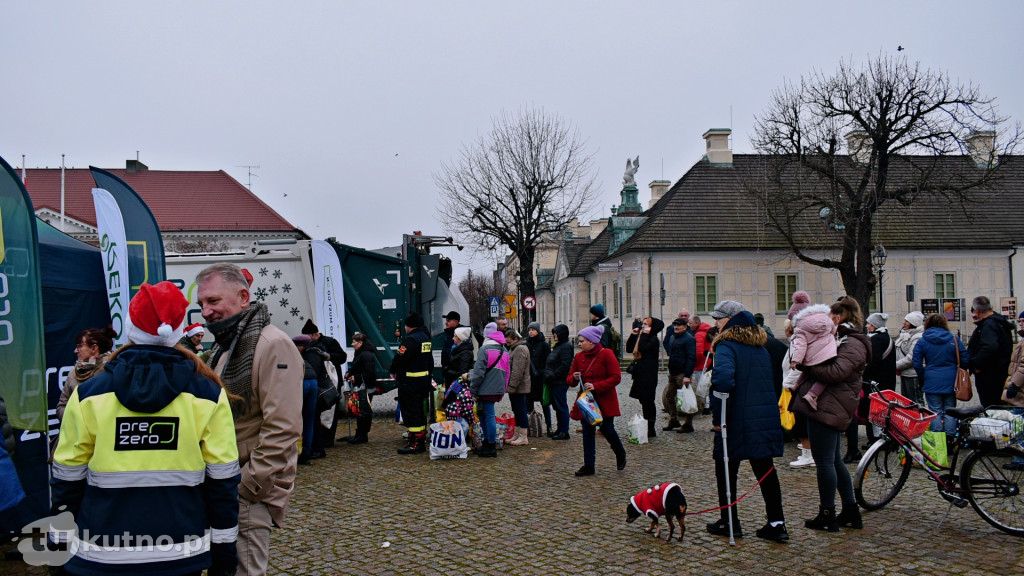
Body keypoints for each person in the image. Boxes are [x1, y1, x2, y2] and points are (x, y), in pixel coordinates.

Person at [52, 281, 240, 576]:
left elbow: (67, 482)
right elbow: (223, 485)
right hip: (181, 552)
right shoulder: (208, 395)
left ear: (130, 328)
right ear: (177, 332)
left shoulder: (88, 394)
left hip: (103, 552)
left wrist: (57, 550)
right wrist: (224, 556)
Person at [198, 262, 303, 576]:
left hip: (245, 491)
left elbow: (283, 427)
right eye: (201, 304)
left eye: (213, 301)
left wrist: (248, 484)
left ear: (243, 297)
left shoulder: (273, 344)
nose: (205, 311)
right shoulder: (225, 346)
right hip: (223, 485)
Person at [704, 300, 789, 543]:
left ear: (730, 321)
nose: (716, 324)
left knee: (726, 469)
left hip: (735, 419)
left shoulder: (726, 345)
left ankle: (729, 521)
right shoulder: (760, 346)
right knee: (765, 470)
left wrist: (719, 417)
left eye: (719, 319)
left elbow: (722, 381)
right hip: (761, 417)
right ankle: (777, 523)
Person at [792, 297, 871, 533]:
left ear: (840, 316)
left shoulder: (852, 342)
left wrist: (807, 362)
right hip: (830, 404)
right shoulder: (842, 338)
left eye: (831, 315)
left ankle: (827, 514)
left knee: (825, 461)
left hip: (830, 406)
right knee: (834, 460)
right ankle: (850, 511)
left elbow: (836, 372)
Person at [569, 325, 627, 476]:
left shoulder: (606, 354)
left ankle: (620, 452)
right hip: (587, 402)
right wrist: (573, 378)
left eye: (582, 341)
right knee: (587, 433)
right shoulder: (579, 356)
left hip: (604, 400)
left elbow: (616, 377)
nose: (579, 344)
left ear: (592, 341)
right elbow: (569, 379)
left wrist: (597, 386)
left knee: (607, 430)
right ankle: (589, 466)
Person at [913, 314, 970, 438]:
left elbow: (916, 363)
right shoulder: (954, 339)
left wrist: (923, 376)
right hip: (952, 380)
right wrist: (960, 372)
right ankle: (950, 438)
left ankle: (938, 440)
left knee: (935, 411)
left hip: (931, 379)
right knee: (950, 410)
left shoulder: (922, 341)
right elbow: (965, 357)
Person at [852, 312, 897, 458]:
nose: (867, 326)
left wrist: (863, 374)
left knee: (874, 410)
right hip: (885, 380)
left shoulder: (877, 339)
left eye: (869, 324)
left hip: (876, 381)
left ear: (875, 325)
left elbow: (873, 362)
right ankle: (877, 438)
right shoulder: (885, 337)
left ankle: (876, 439)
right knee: (881, 409)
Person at [391, 313, 434, 455]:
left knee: (411, 412)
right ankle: (420, 441)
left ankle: (414, 444)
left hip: (410, 383)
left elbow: (399, 359)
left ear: (409, 326)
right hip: (423, 382)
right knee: (420, 412)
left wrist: (393, 370)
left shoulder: (410, 340)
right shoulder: (425, 339)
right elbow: (430, 361)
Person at [56, 326, 118, 422]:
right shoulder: (73, 374)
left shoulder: (113, 372)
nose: (75, 351)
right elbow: (62, 406)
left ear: (94, 348)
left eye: (80, 346)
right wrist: (76, 420)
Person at [303, 319, 347, 447]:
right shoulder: (308, 345)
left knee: (331, 411)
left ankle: (328, 439)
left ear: (313, 334)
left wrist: (329, 356)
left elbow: (342, 357)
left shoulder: (330, 342)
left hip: (332, 382)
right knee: (318, 411)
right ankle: (319, 439)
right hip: (318, 381)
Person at [470, 328, 511, 457]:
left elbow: (478, 373)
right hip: (497, 388)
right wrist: (503, 389)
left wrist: (473, 390)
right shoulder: (504, 351)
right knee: (485, 415)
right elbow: (507, 373)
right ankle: (487, 444)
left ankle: (490, 445)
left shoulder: (484, 350)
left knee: (487, 416)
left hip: (484, 388)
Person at [789, 304, 838, 411]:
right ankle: (812, 395)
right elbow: (834, 331)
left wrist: (796, 360)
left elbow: (801, 345)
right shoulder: (826, 317)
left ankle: (796, 385)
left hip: (811, 356)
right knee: (827, 375)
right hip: (828, 354)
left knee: (807, 370)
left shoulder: (800, 326)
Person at [967, 296, 1014, 408]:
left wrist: (976, 363)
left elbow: (989, 347)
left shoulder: (989, 324)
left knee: (991, 406)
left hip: (989, 374)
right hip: (1000, 371)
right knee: (997, 405)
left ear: (977, 310)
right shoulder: (999, 322)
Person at [781, 319, 814, 468]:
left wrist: (787, 384)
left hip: (797, 387)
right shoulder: (796, 343)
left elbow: (797, 367)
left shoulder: (798, 343)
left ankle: (808, 455)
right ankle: (808, 453)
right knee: (801, 422)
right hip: (797, 385)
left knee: (801, 422)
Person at [626, 317, 666, 439]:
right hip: (640, 374)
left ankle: (651, 427)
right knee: (643, 400)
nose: (643, 326)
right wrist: (634, 335)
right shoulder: (642, 337)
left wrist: (644, 334)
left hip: (649, 375)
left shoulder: (653, 339)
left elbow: (643, 348)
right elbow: (629, 349)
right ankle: (647, 425)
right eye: (643, 324)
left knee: (648, 401)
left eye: (646, 324)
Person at [294, 334, 331, 461]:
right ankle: (306, 452)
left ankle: (301, 451)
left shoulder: (307, 355)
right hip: (313, 383)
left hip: (305, 383)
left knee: (301, 419)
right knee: (310, 420)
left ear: (301, 346)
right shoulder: (317, 352)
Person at [663, 318, 696, 433]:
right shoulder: (673, 337)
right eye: (675, 325)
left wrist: (687, 375)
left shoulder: (689, 339)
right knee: (669, 396)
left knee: (686, 398)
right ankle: (674, 420)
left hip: (682, 373)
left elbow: (691, 357)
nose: (676, 327)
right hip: (673, 372)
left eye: (679, 325)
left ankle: (688, 423)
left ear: (685, 327)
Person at [344, 332, 376, 444]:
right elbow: (357, 367)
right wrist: (349, 373)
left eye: (354, 342)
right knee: (360, 411)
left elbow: (369, 373)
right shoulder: (360, 353)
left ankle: (362, 435)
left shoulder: (366, 355)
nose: (352, 344)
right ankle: (360, 434)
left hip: (365, 388)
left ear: (360, 343)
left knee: (364, 412)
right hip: (361, 387)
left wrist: (355, 377)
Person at [545, 324, 574, 440]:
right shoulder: (559, 345)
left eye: (556, 333)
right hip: (554, 381)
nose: (554, 335)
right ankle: (560, 428)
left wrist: (553, 375)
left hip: (559, 381)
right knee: (557, 407)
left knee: (561, 407)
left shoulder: (566, 346)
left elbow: (565, 365)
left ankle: (564, 431)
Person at [505, 328, 532, 446]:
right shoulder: (515, 348)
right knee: (517, 410)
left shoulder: (519, 349)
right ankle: (517, 434)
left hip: (519, 387)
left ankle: (523, 436)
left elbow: (517, 371)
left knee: (521, 410)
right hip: (516, 387)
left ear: (516, 339)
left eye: (509, 342)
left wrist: (511, 386)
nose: (507, 344)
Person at [526, 322, 552, 435]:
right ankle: (531, 426)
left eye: (533, 330)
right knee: (529, 404)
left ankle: (549, 426)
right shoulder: (526, 344)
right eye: (529, 330)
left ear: (538, 331)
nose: (531, 332)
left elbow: (549, 361)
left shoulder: (544, 345)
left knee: (545, 403)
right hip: (529, 379)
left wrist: (543, 372)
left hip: (541, 379)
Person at [894, 311, 926, 405]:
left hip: (913, 375)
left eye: (906, 321)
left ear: (913, 323)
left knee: (915, 402)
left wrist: (894, 366)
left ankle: (919, 415)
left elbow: (911, 358)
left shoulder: (918, 337)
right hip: (905, 373)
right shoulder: (905, 334)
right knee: (906, 402)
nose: (904, 323)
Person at [689, 315, 713, 415]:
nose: (689, 325)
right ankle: (709, 405)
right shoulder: (707, 331)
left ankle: (706, 406)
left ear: (696, 323)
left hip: (701, 364)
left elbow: (698, 352)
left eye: (691, 323)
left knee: (702, 385)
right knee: (708, 384)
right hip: (709, 362)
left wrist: (694, 363)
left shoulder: (699, 334)